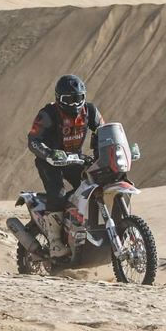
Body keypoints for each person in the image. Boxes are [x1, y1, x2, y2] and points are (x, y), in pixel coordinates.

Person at [26, 74, 103, 257]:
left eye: (79, 98)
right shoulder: (48, 114)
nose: (76, 103)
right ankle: (55, 242)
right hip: (50, 162)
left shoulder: (90, 111)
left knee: (91, 187)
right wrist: (48, 153)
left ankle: (80, 227)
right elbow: (33, 140)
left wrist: (105, 149)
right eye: (70, 99)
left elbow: (103, 130)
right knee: (58, 193)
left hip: (75, 159)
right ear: (59, 98)